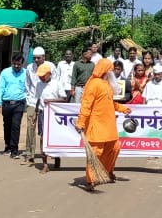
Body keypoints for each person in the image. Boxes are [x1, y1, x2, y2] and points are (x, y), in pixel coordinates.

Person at [75, 59, 132, 191]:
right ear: (105, 71)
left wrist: (122, 109)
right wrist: (81, 122)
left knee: (115, 148)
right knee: (96, 152)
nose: (112, 73)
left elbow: (109, 102)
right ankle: (91, 179)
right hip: (97, 126)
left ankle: (106, 172)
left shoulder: (106, 84)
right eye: (110, 70)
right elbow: (86, 106)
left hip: (109, 126)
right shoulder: (93, 84)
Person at [24, 61, 66, 172]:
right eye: (40, 76)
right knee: (43, 138)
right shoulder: (38, 84)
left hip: (55, 114)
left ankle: (57, 158)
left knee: (55, 137)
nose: (41, 78)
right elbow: (38, 99)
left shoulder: (57, 84)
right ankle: (45, 164)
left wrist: (51, 101)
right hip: (43, 113)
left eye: (43, 76)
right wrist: (35, 113)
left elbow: (63, 99)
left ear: (49, 74)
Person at [0, 53, 28, 158]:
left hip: (19, 103)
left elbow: (29, 88)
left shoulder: (26, 73)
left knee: (16, 126)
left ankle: (14, 150)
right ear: (12, 63)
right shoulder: (5, 72)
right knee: (7, 126)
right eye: (14, 64)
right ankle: (8, 146)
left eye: (19, 64)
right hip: (6, 103)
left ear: (22, 64)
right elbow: (0, 87)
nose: (16, 66)